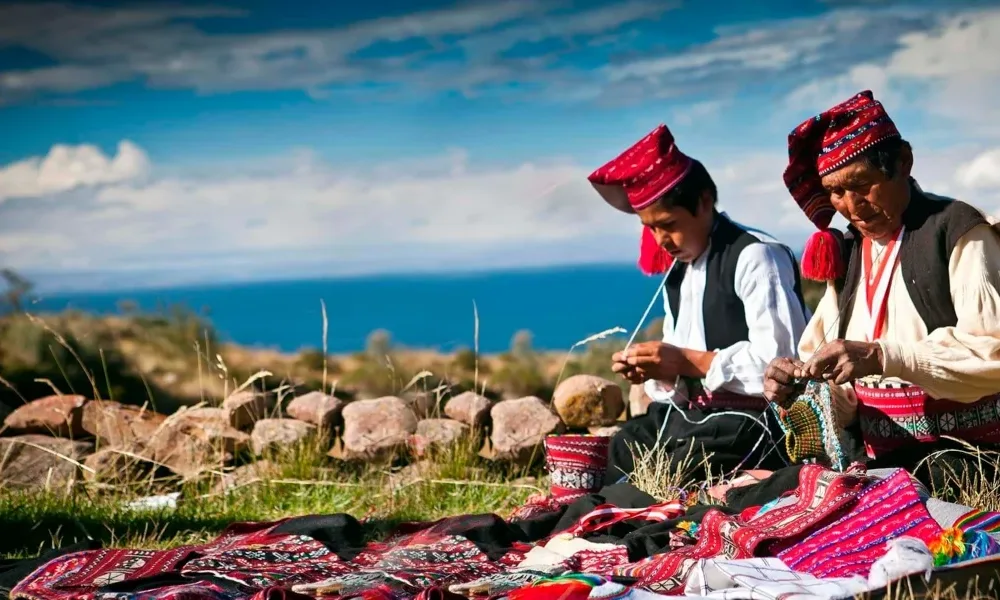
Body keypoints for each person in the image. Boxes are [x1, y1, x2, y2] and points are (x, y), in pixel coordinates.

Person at [763, 90, 1000, 487]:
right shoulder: (851, 252)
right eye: (836, 192)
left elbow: (993, 355)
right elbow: (838, 393)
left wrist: (883, 356)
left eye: (862, 184)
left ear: (903, 162)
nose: (852, 206)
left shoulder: (958, 231)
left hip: (966, 462)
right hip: (881, 463)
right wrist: (797, 387)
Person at [586, 123, 810, 483]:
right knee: (623, 446)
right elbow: (679, 381)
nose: (661, 239)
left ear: (704, 201)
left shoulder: (757, 256)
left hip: (753, 424)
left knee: (680, 466)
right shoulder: (678, 275)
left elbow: (785, 368)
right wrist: (658, 371)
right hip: (694, 420)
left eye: (668, 223)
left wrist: (688, 361)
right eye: (650, 228)